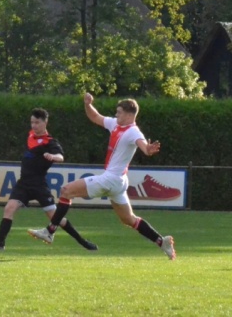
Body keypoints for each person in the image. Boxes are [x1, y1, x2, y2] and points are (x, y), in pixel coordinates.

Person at [28, 93, 176, 260]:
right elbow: (95, 117)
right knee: (129, 219)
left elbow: (144, 147)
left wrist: (148, 149)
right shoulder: (115, 124)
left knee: (66, 191)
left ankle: (49, 231)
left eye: (119, 112)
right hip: (119, 182)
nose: (116, 115)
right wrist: (87, 104)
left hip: (111, 179)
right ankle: (161, 241)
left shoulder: (134, 131)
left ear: (129, 114)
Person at [0, 108, 97, 251]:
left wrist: (53, 157)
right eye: (32, 122)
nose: (33, 125)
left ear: (45, 122)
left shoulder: (50, 142)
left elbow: (61, 157)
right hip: (24, 184)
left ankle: (83, 242)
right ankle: (0, 244)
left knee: (55, 218)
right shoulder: (30, 136)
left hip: (39, 185)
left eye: (37, 122)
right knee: (9, 208)